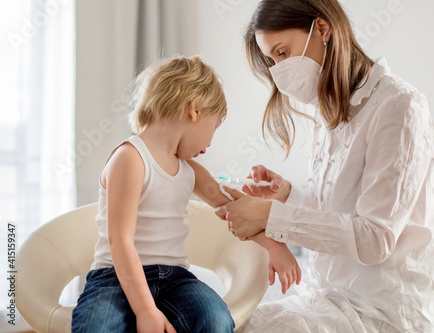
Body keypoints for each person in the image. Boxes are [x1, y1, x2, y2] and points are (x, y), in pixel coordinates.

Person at [214, 1, 434, 332]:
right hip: (328, 297)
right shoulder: (329, 112)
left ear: (322, 29)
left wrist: (270, 218)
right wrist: (288, 196)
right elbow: (343, 210)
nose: (278, 70)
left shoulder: (399, 106)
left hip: (383, 310)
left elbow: (375, 237)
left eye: (282, 53)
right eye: (271, 60)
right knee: (229, 323)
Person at [71, 55, 301, 333]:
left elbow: (235, 211)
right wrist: (145, 312)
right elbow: (120, 240)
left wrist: (275, 247)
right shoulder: (130, 158)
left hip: (173, 280)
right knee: (96, 327)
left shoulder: (189, 170)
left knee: (216, 319)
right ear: (195, 111)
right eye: (214, 127)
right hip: (115, 278)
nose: (210, 142)